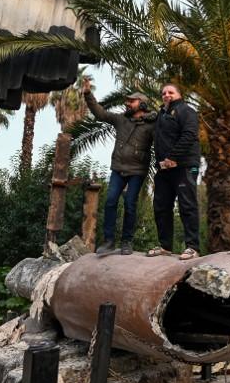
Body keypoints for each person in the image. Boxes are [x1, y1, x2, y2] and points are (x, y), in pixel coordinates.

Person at [82, 83, 157, 255]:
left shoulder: (152, 124)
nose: (127, 104)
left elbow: (163, 140)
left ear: (142, 104)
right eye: (127, 101)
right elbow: (100, 113)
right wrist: (88, 94)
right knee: (110, 201)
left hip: (137, 171)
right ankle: (108, 241)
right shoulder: (121, 120)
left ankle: (126, 242)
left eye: (132, 101)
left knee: (130, 204)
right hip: (118, 169)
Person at [147, 83, 201, 260]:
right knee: (161, 206)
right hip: (164, 169)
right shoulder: (161, 115)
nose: (166, 95)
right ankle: (165, 246)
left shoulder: (186, 111)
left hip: (183, 166)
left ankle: (192, 247)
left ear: (179, 94)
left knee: (187, 206)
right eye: (163, 93)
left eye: (171, 92)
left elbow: (189, 135)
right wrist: (161, 162)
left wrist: (173, 157)